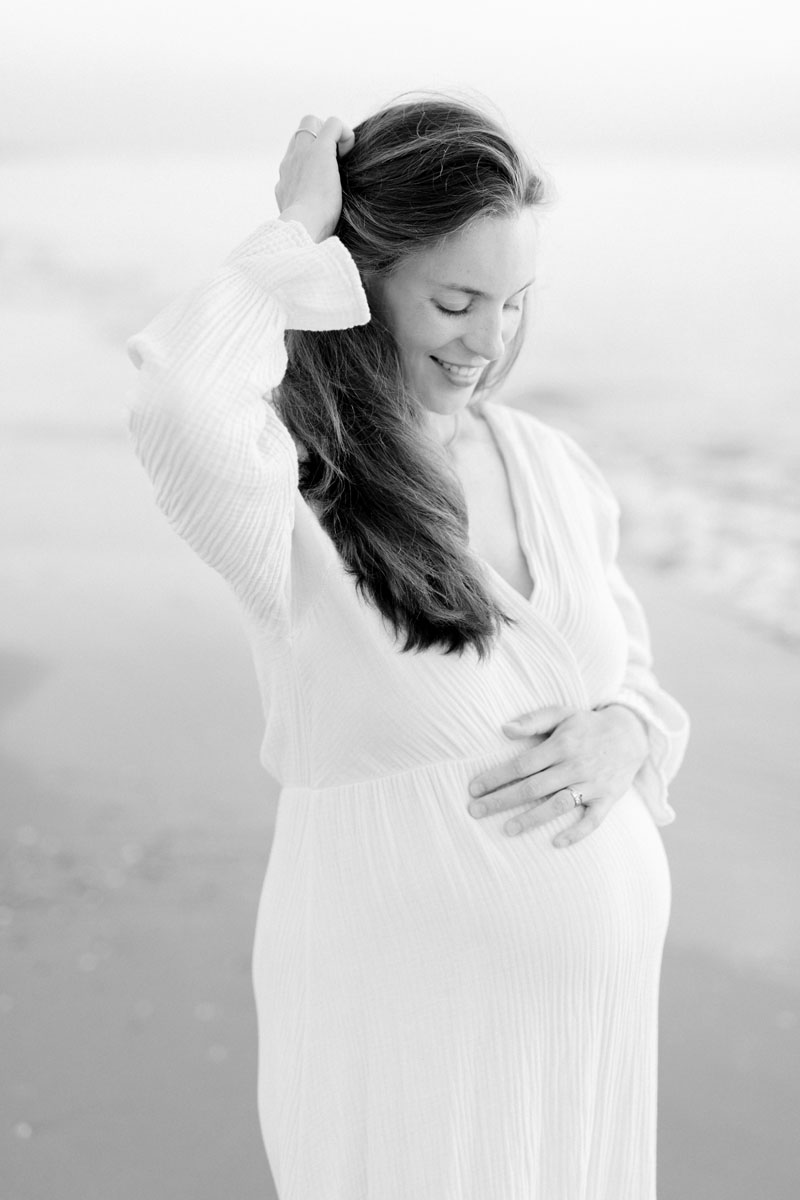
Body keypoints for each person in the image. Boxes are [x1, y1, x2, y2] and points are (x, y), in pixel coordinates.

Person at [126, 96, 689, 1200]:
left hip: (584, 1039)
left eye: (517, 302)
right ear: (360, 280)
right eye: (455, 301)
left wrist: (624, 733)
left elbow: (629, 677)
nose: (490, 341)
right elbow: (178, 398)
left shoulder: (551, 466)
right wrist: (296, 227)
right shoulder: (285, 482)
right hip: (402, 1023)